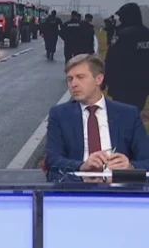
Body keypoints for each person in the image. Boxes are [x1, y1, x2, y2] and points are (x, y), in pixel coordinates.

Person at [44, 54, 149, 182]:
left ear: (99, 79)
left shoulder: (128, 114)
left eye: (80, 77)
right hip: (79, 186)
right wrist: (82, 167)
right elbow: (53, 159)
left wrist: (130, 167)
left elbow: (146, 159)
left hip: (119, 186)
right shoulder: (59, 114)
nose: (74, 84)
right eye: (70, 79)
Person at [104, 2, 149, 111]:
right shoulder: (147, 33)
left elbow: (111, 59)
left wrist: (104, 80)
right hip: (143, 84)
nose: (120, 20)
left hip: (123, 84)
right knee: (136, 110)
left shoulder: (122, 35)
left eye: (121, 17)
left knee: (122, 113)